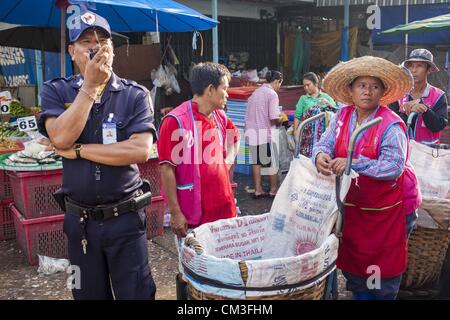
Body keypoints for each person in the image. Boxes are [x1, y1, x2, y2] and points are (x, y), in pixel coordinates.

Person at [38, 10, 157, 300]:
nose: (95, 46)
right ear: (72, 51)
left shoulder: (135, 94)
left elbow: (139, 150)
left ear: (112, 50)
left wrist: (78, 150)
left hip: (127, 221)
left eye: (102, 40)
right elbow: (61, 136)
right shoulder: (56, 90)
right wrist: (89, 86)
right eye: (86, 41)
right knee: (86, 294)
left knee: (137, 294)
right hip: (80, 226)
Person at [313, 56, 421, 300]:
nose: (367, 91)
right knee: (359, 261)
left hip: (392, 206)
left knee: (383, 268)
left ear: (382, 92)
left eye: (374, 86)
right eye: (361, 85)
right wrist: (320, 155)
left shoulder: (391, 124)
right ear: (350, 90)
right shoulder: (342, 117)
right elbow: (325, 143)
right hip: (359, 204)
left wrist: (353, 163)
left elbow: (393, 166)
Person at [157, 62, 240, 298]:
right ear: (210, 89)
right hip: (193, 215)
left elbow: (235, 138)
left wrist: (227, 161)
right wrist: (175, 212)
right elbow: (167, 170)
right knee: (191, 272)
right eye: (225, 88)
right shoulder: (176, 121)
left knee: (222, 270)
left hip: (224, 209)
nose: (228, 93)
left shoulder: (220, 117)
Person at [389, 49, 448, 144]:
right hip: (401, 149)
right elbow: (390, 123)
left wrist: (424, 109)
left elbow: (438, 125)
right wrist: (408, 114)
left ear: (429, 70)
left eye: (419, 66)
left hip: (427, 153)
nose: (413, 70)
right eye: (411, 65)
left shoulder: (438, 95)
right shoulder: (398, 93)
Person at [245, 70, 283, 199]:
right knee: (272, 162)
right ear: (277, 81)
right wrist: (281, 119)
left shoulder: (255, 93)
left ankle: (258, 190)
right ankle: (273, 190)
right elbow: (273, 117)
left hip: (252, 132)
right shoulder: (272, 94)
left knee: (256, 162)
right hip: (265, 132)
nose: (279, 87)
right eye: (279, 84)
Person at [294, 72, 337, 157]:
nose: (305, 88)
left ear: (316, 84)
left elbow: (336, 113)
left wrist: (329, 104)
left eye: (308, 85)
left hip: (324, 135)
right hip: (307, 136)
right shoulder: (303, 99)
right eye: (304, 86)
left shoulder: (327, 97)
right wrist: (296, 131)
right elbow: (297, 116)